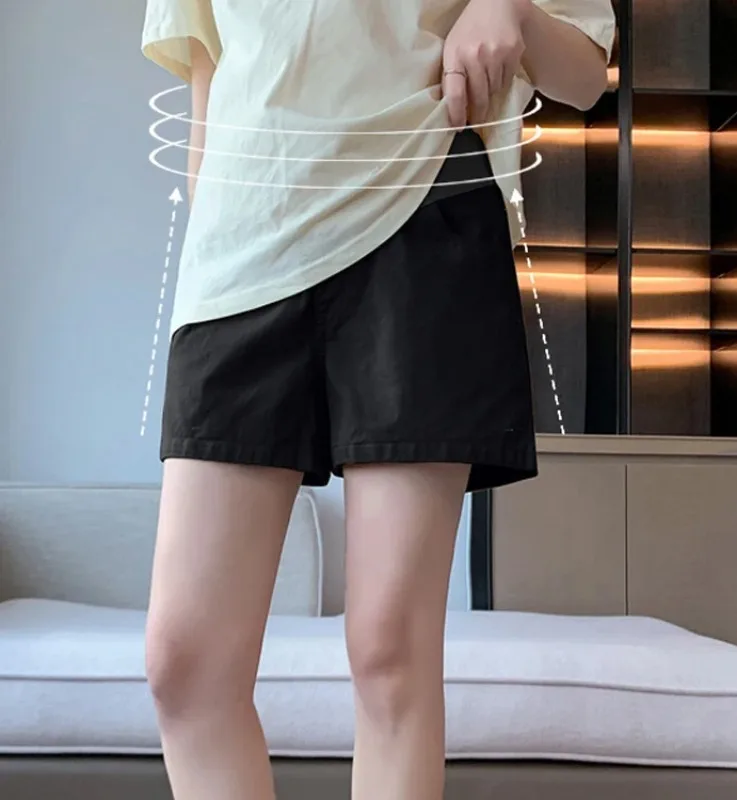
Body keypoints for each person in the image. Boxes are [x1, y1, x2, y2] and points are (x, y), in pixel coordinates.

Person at [140, 0, 615, 798]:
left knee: (390, 652)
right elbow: (206, 81)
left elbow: (586, 73)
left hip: (420, 217)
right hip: (243, 244)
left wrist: (511, 10)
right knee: (184, 666)